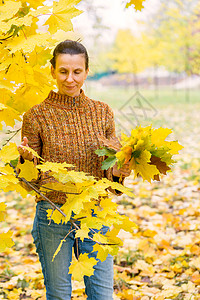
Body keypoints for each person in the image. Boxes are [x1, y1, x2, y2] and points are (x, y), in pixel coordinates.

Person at [18, 40, 131, 300]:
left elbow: (111, 177)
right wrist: (26, 161)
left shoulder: (102, 112)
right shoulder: (36, 116)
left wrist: (121, 170)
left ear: (87, 71)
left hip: (96, 215)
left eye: (77, 72)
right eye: (63, 71)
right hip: (53, 216)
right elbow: (30, 184)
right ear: (52, 71)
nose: (70, 79)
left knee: (102, 295)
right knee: (58, 295)